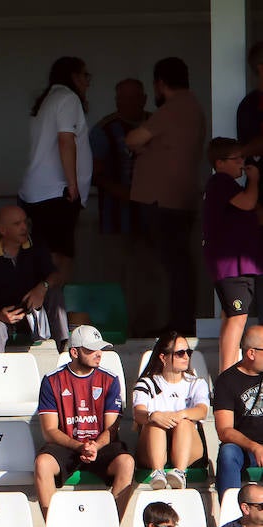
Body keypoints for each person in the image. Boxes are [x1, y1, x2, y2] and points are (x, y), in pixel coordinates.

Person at [126, 57, 208, 335]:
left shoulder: (172, 109)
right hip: (182, 199)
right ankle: (180, 321)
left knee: (174, 266)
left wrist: (144, 148)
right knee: (179, 264)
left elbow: (133, 139)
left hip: (163, 202)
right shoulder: (194, 107)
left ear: (160, 84)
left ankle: (178, 324)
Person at [35, 325, 134, 519]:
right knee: (42, 464)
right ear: (74, 352)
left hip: (100, 445)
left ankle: (111, 525)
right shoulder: (52, 380)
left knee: (127, 462)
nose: (99, 354)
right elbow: (49, 430)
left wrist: (94, 446)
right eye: (91, 350)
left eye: (100, 349)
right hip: (67, 444)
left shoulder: (110, 379)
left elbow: (112, 428)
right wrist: (80, 446)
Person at [18, 57, 92, 278]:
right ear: (74, 76)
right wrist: (72, 185)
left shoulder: (48, 99)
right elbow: (65, 140)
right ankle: (54, 310)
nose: (87, 83)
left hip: (38, 192)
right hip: (57, 193)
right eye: (85, 76)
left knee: (45, 255)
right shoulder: (68, 99)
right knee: (59, 260)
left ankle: (47, 310)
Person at [0, 204, 69, 352]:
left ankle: (64, 347)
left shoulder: (36, 245)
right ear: (2, 230)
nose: (24, 227)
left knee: (55, 294)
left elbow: (56, 275)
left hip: (32, 311)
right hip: (2, 315)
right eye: (17, 224)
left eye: (25, 222)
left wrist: (42, 288)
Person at [203, 137, 262, 372]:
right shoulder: (220, 182)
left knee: (232, 316)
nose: (241, 163)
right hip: (232, 267)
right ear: (219, 162)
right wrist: (254, 180)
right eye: (235, 159)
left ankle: (225, 372)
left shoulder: (226, 186)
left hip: (238, 266)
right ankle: (227, 375)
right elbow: (248, 203)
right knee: (238, 318)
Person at [133, 332, 209, 490]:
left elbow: (202, 411)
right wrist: (153, 416)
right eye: (180, 353)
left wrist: (179, 415)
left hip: (188, 446)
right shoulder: (146, 383)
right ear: (163, 357)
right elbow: (138, 414)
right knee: (154, 422)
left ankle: (180, 472)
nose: (186, 357)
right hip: (151, 447)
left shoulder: (196, 383)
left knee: (185, 423)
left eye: (188, 352)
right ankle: (158, 472)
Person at [92, 78, 150, 237]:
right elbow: (93, 175)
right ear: (117, 101)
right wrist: (123, 192)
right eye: (124, 98)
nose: (129, 103)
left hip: (155, 220)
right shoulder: (103, 130)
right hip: (116, 221)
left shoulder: (157, 124)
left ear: (144, 99)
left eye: (134, 97)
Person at [216, 325, 263, 496]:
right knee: (228, 453)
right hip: (244, 450)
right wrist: (254, 447)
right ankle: (230, 516)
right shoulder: (226, 381)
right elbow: (224, 430)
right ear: (251, 353)